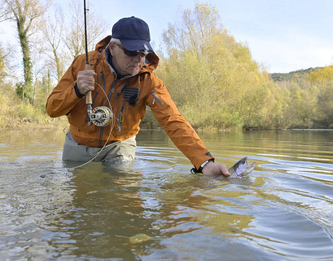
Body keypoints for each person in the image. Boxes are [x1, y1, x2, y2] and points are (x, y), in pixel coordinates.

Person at [46, 16, 230, 176]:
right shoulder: (83, 63)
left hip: (119, 146)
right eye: (131, 52)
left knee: (123, 197)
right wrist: (76, 90)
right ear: (112, 47)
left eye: (143, 53)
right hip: (78, 142)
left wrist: (204, 162)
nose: (139, 59)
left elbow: (173, 120)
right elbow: (52, 109)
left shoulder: (149, 81)